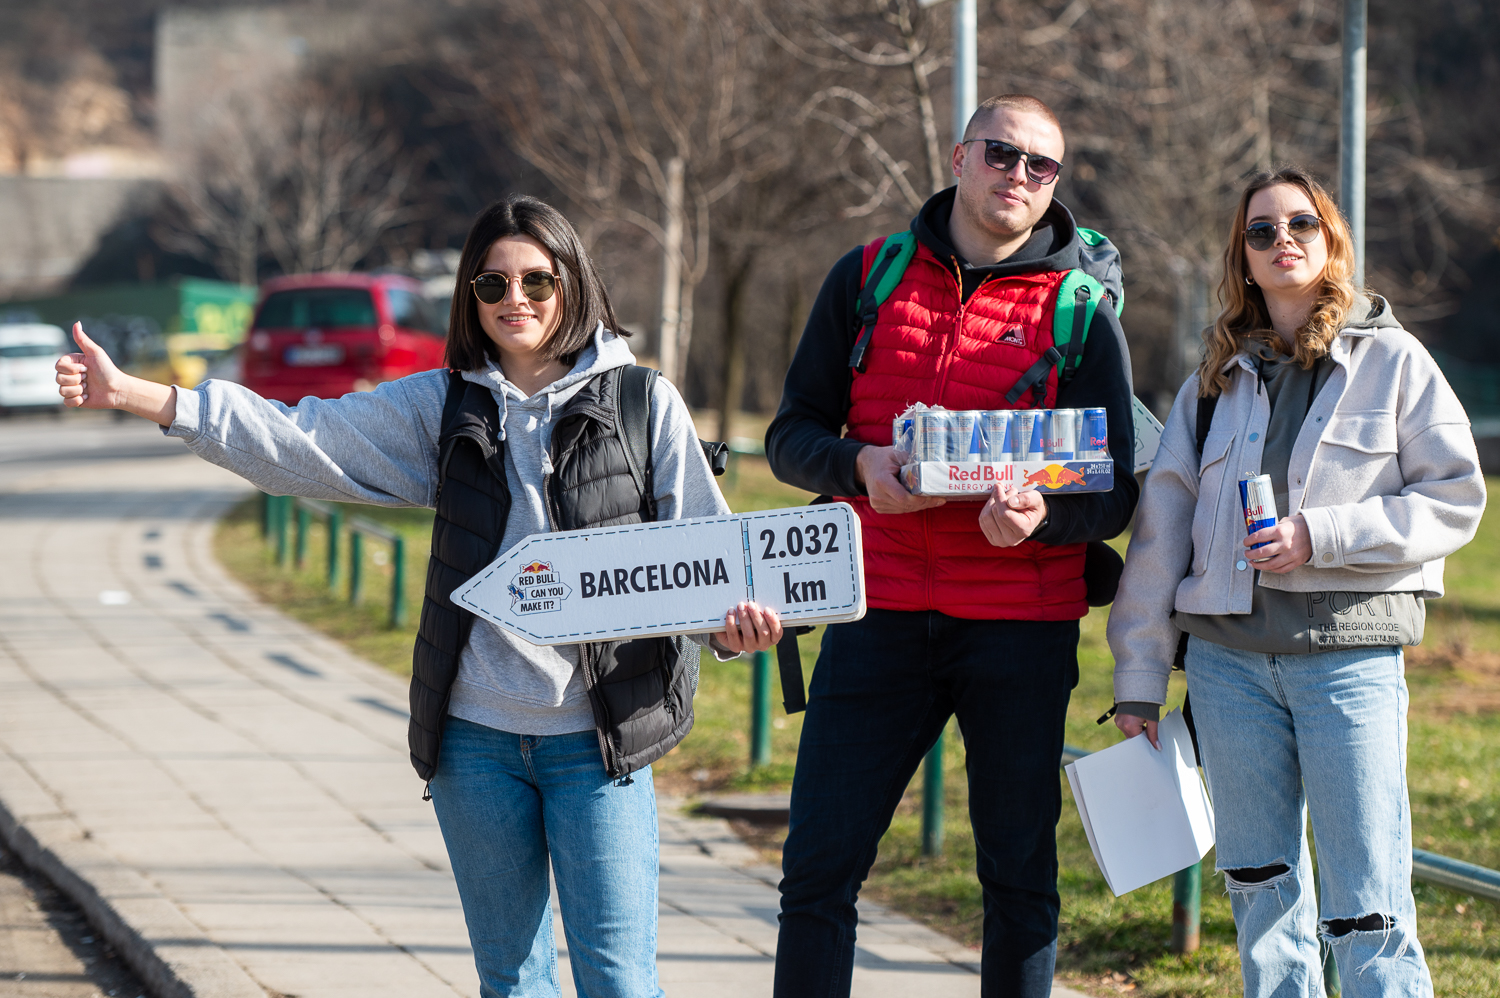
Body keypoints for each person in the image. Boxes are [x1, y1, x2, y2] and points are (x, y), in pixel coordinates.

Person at [56, 194, 783, 998]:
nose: (517, 302)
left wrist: (731, 633)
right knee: (511, 983)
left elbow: (709, 560)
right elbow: (303, 440)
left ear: (572, 283)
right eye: (493, 285)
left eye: (538, 282)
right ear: (470, 298)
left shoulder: (644, 405)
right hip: (476, 746)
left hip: (599, 740)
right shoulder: (443, 408)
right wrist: (147, 398)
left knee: (618, 981)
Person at [764, 94, 1139, 997]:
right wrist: (859, 465)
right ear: (960, 155)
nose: (1019, 177)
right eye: (1003, 155)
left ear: (1056, 188)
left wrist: (1042, 515)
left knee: (1017, 882)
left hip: (1019, 629)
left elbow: (1115, 488)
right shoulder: (866, 276)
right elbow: (790, 435)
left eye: (1040, 167)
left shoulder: (1084, 310)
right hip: (875, 614)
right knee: (817, 873)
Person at [1106, 166, 1485, 997]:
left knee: (1369, 908)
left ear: (1331, 240)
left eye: (1301, 225)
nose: (1284, 241)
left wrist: (1323, 536)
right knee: (1260, 893)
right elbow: (1160, 537)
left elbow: (1457, 498)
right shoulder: (1211, 383)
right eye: (1262, 231)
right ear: (1241, 257)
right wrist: (1137, 679)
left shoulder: (1391, 362)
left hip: (1347, 664)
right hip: (1226, 670)